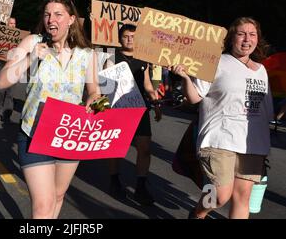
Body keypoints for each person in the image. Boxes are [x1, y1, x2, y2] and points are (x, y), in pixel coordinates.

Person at [0, 0, 101, 219]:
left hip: (69, 133)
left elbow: (94, 92)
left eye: (58, 14)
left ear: (71, 19)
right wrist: (31, 58)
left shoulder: (87, 54)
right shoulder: (32, 42)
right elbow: (3, 81)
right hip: (34, 134)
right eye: (47, 14)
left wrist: (94, 101)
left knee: (57, 196)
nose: (51, 19)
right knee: (43, 207)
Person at [170, 17, 273, 219]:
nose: (247, 39)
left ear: (257, 39)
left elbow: (266, 111)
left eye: (252, 34)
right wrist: (185, 78)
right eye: (241, 33)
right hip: (219, 139)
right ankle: (198, 213)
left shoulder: (262, 70)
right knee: (218, 196)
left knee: (243, 198)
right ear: (231, 37)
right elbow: (194, 97)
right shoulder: (215, 62)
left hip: (253, 143)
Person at [107, 24, 162, 205]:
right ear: (120, 38)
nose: (130, 39)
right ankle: (114, 180)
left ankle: (141, 186)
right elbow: (104, 82)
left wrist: (155, 100)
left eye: (133, 36)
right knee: (117, 148)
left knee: (145, 148)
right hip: (117, 108)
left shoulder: (143, 58)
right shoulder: (111, 56)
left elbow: (147, 85)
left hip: (139, 109)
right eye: (126, 36)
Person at [0, 17, 17, 123]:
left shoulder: (19, 36)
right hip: (0, 64)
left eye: (14, 23)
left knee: (10, 92)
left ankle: (7, 112)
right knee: (1, 89)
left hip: (14, 66)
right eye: (10, 23)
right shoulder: (0, 35)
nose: (12, 25)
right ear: (6, 24)